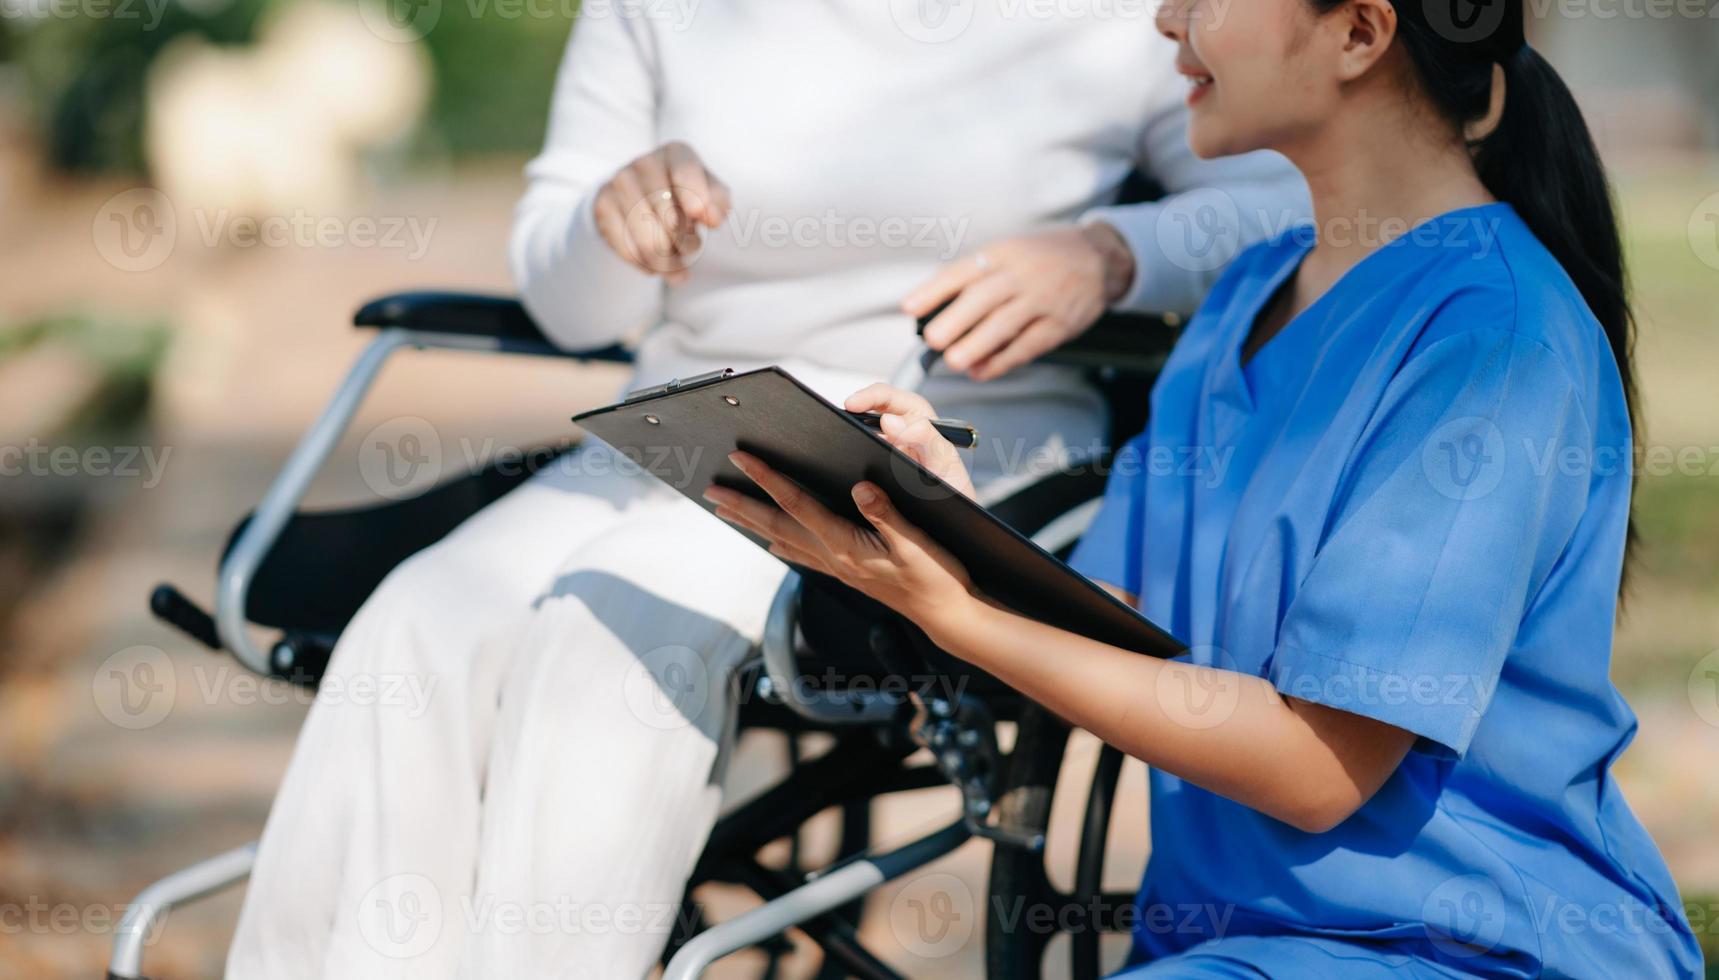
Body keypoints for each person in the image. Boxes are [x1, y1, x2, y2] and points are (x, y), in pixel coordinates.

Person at [225, 4, 1308, 977]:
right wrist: (609, 225)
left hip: (933, 447)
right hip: (673, 432)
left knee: (611, 628)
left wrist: (1114, 252)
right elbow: (566, 306)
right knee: (415, 623)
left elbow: (1287, 201)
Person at [712, 0, 1705, 975]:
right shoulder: (1248, 293)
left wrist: (961, 617)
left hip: (1470, 949)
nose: (1165, 21)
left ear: (1360, 32)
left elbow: (1319, 769)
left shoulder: (1493, 339)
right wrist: (947, 529)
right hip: (1234, 948)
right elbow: (1123, 627)